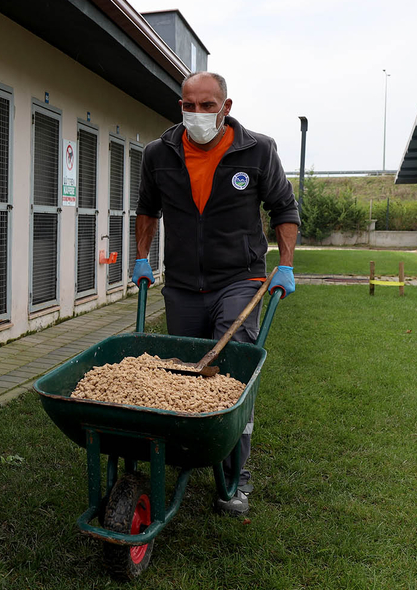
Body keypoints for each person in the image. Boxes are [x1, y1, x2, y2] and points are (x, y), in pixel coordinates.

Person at [131, 71, 299, 516]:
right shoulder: (159, 153)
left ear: (226, 107)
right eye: (190, 105)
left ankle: (233, 474)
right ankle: (187, 450)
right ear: (180, 106)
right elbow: (147, 208)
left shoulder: (257, 150)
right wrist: (142, 257)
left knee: (229, 372)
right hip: (183, 283)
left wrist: (285, 264)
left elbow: (284, 207)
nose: (198, 114)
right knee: (185, 370)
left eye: (208, 106)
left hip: (240, 280)